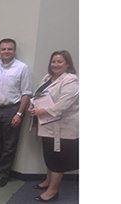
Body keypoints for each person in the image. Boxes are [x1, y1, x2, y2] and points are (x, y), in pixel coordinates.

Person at [28, 50, 79, 202]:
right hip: (47, 126)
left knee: (58, 161)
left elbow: (62, 106)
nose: (55, 65)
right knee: (49, 157)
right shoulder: (48, 77)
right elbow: (39, 96)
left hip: (62, 129)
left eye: (59, 62)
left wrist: (40, 111)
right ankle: (48, 181)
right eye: (53, 61)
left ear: (67, 64)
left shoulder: (71, 81)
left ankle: (53, 191)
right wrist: (33, 106)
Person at [0, 38, 32, 187]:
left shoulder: (22, 68)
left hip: (12, 109)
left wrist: (19, 114)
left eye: (9, 49)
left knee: (9, 145)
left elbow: (26, 93)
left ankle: (3, 174)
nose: (6, 51)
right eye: (3, 49)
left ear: (14, 51)